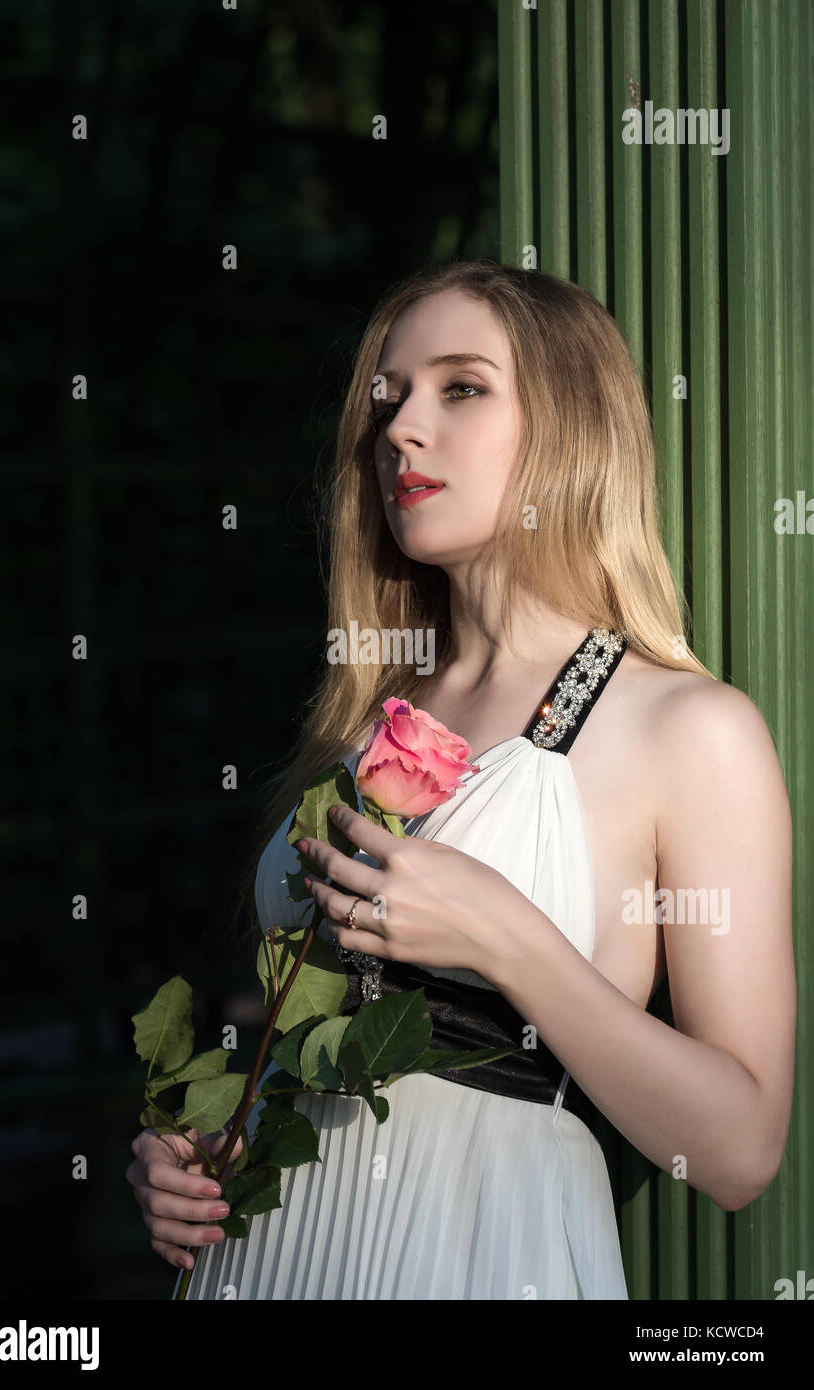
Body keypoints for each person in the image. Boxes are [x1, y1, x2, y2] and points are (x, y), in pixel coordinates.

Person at [126, 260, 795, 1300]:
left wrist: (503, 934)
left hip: (484, 1250)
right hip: (265, 1262)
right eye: (387, 396)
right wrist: (207, 1148)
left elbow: (740, 1151)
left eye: (461, 387)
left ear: (570, 426)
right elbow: (312, 1043)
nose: (397, 427)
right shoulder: (361, 719)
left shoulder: (685, 729)